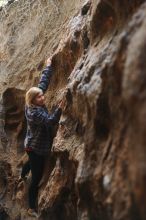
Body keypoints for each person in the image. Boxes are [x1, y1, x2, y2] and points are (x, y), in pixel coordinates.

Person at [22, 57, 64, 217]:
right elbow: (51, 121)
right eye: (39, 97)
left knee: (30, 161)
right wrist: (60, 108)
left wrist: (48, 67)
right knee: (36, 177)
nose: (43, 97)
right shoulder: (35, 113)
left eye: (41, 96)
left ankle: (22, 173)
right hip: (36, 147)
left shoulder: (31, 103)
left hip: (31, 143)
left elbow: (43, 84)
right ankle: (31, 207)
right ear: (34, 100)